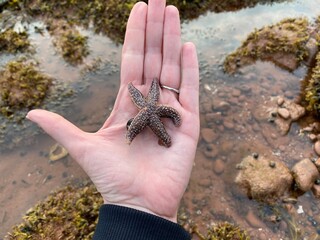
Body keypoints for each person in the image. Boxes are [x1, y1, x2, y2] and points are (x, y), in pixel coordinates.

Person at [26, 0, 199, 239]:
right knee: (148, 123)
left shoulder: (146, 107)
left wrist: (129, 213)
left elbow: (154, 104)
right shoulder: (148, 107)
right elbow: (152, 103)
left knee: (146, 121)